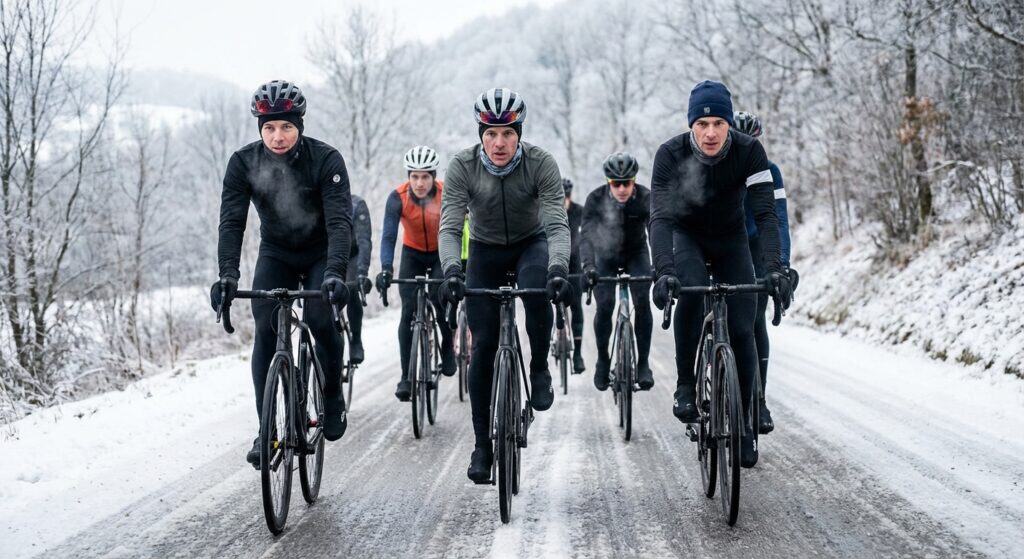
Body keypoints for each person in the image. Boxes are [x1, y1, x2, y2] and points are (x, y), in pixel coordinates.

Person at [211, 80, 352, 468]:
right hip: (276, 252)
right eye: (269, 127)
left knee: (321, 319)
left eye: (286, 127)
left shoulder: (326, 160)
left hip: (321, 251)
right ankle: (266, 431)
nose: (277, 136)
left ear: (300, 126)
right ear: (259, 127)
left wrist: (337, 272)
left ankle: (332, 394)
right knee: (266, 327)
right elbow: (231, 224)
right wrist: (227, 275)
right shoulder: (243, 163)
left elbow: (341, 223)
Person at [649, 81, 791, 468]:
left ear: (730, 125)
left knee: (744, 327)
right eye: (702, 124)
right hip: (687, 235)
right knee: (692, 291)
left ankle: (745, 422)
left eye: (718, 123)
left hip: (731, 240)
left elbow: (766, 216)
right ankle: (685, 386)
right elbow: (659, 218)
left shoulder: (749, 152)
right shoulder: (669, 154)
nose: (710, 132)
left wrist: (776, 268)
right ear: (691, 125)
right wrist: (663, 271)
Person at [435, 88, 571, 482]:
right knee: (484, 345)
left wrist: (558, 267)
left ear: (519, 134)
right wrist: (451, 271)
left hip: (531, 244)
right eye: (491, 134)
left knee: (535, 288)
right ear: (480, 134)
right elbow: (450, 224)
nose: (499, 143)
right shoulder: (462, 165)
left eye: (508, 134)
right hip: (484, 250)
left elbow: (556, 223)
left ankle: (540, 366)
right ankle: (482, 445)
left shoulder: (540, 162)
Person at [375, 145, 456, 402]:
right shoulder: (397, 197)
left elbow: (460, 229)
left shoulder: (447, 194)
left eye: (425, 176)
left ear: (433, 176)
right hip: (412, 254)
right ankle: (406, 377)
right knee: (408, 310)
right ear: (408, 176)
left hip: (440, 253)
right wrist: (386, 269)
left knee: (440, 300)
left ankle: (446, 345)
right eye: (414, 176)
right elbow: (388, 237)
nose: (420, 183)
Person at [733, 111, 795, 435]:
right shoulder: (720, 168)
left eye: (751, 141)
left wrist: (781, 266)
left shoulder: (769, 171)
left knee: (754, 319)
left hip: (756, 246)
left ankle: (758, 399)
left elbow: (779, 220)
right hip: (724, 244)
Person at [580, 152, 653, 391]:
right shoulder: (595, 199)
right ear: (608, 182)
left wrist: (662, 266)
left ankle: (643, 363)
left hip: (636, 253)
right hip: (606, 256)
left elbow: (656, 230)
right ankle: (603, 359)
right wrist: (588, 266)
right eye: (616, 184)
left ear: (634, 181)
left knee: (642, 301)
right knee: (605, 305)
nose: (622, 189)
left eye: (627, 183)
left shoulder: (645, 197)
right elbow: (587, 238)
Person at [562, 178, 587, 374]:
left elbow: (589, 235)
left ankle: (577, 354)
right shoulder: (546, 211)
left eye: (564, 198)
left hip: (575, 262)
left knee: (577, 306)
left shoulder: (579, 211)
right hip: (554, 260)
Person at [347, 194, 373, 363]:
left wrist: (362, 272)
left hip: (352, 256)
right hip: (325, 254)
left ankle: (356, 339)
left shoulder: (357, 204)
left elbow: (364, 242)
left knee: (351, 288)